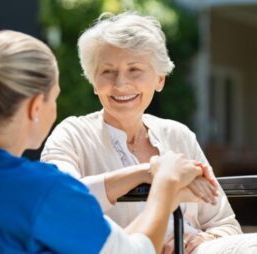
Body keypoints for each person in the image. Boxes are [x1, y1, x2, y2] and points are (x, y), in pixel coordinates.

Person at [0, 30, 214, 254]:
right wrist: (166, 184)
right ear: (36, 106)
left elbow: (116, 248)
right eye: (55, 98)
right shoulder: (42, 189)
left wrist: (145, 173)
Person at [41, 12, 242, 254]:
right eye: (107, 71)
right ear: (94, 82)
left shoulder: (179, 135)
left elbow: (225, 224)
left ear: (159, 79)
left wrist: (200, 241)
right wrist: (148, 172)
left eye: (134, 69)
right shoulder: (71, 135)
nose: (120, 84)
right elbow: (61, 202)